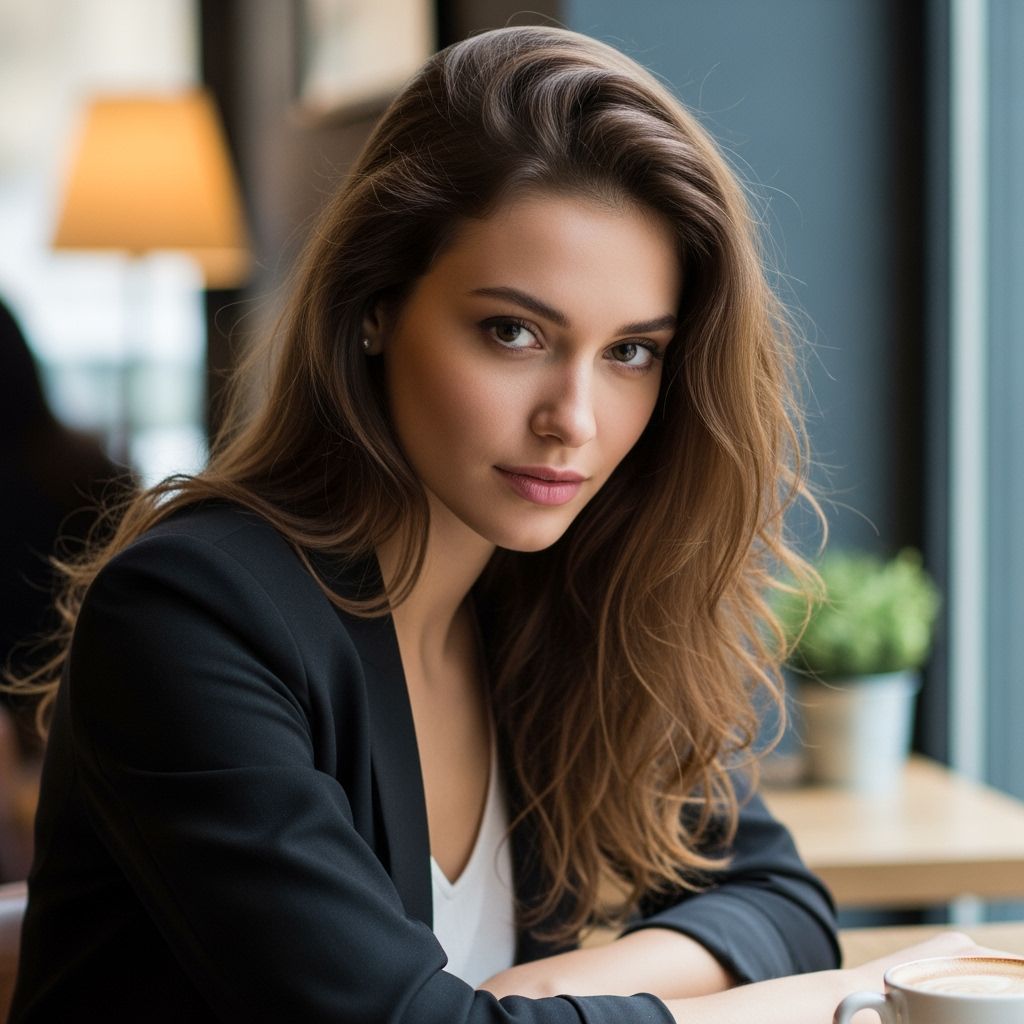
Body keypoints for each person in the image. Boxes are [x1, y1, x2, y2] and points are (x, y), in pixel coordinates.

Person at [8, 25, 1000, 1023]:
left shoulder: (561, 600)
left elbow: (775, 900)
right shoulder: (194, 613)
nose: (573, 420)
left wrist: (544, 992)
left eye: (630, 352)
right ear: (375, 307)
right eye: (513, 332)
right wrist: (792, 1006)